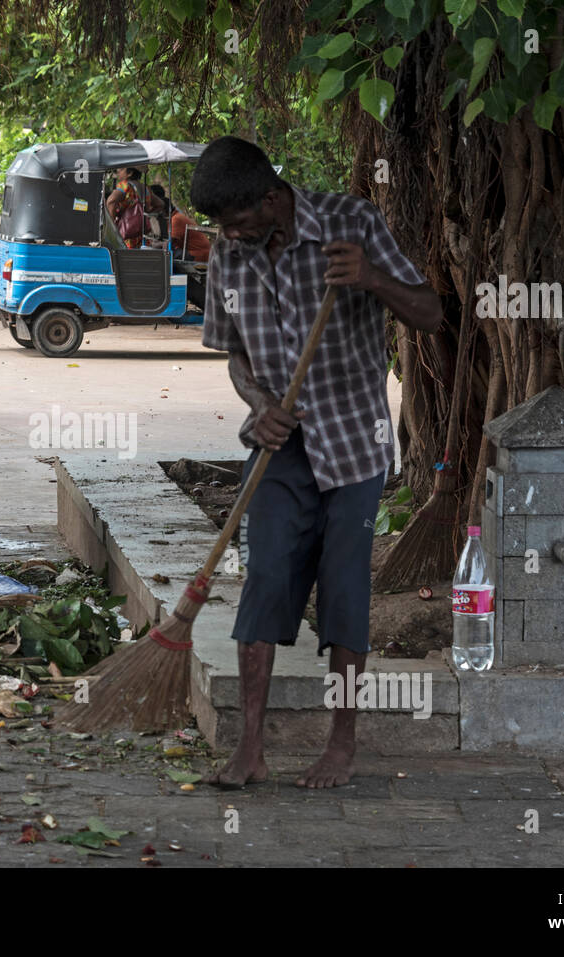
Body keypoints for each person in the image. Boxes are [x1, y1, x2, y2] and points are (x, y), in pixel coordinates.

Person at [189, 135, 443, 790]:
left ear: (272, 198)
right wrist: (260, 403)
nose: (233, 234)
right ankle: (249, 746)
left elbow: (432, 314)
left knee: (344, 588)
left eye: (241, 221)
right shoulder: (228, 250)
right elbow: (233, 355)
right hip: (280, 445)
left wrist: (372, 279)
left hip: (354, 443)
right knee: (265, 578)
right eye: (224, 226)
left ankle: (341, 744)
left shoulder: (350, 224)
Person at [106, 167, 162, 249]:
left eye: (121, 170)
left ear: (130, 173)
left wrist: (111, 225)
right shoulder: (146, 188)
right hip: (142, 237)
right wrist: (145, 215)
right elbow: (160, 204)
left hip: (126, 237)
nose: (118, 172)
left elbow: (111, 201)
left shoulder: (125, 186)